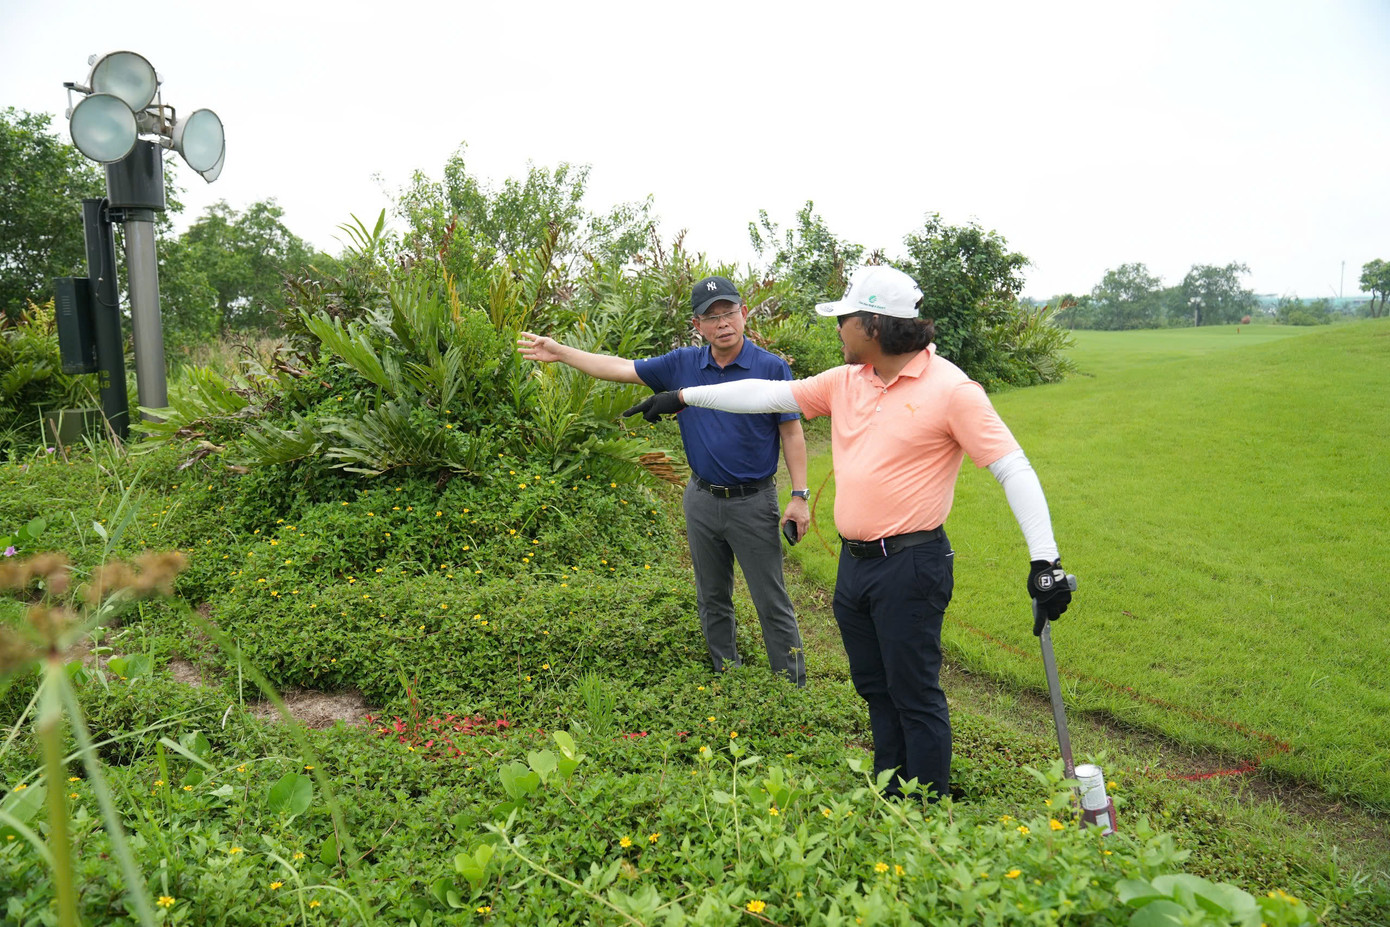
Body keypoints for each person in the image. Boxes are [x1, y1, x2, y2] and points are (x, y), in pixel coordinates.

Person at [623, 265, 1074, 799]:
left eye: (845, 320)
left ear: (874, 325)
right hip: (855, 563)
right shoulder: (847, 381)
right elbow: (766, 395)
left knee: (913, 690)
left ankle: (927, 801)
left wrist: (1045, 560)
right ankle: (890, 788)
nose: (838, 329)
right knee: (874, 685)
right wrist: (683, 397)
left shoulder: (952, 389)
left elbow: (1012, 467)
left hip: (912, 562)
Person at [517, 275, 810, 687]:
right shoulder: (682, 364)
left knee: (770, 597)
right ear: (697, 325)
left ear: (744, 313)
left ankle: (792, 686)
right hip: (701, 499)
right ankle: (727, 676)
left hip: (753, 501)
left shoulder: (771, 367)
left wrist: (799, 495)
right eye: (711, 317)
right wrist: (561, 352)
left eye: (729, 312)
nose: (723, 323)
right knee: (712, 595)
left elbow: (791, 432)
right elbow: (620, 368)